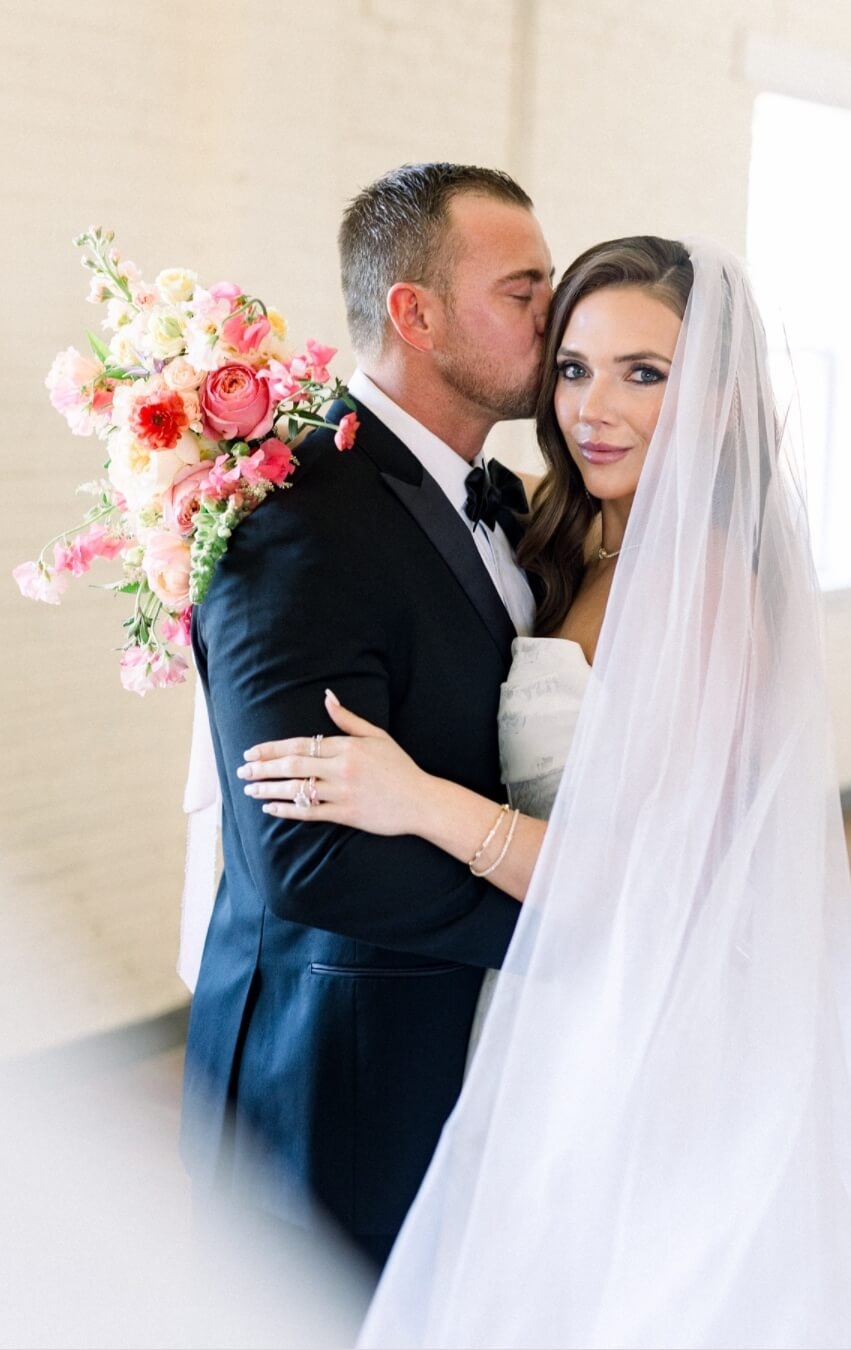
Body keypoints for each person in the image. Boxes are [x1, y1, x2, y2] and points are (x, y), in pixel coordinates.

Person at [239, 237, 851, 1347]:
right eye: (573, 367)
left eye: (644, 373)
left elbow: (631, 885)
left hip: (643, 1028)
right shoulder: (575, 534)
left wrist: (415, 800)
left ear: (717, 397)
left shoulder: (699, 584)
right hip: (550, 998)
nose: (595, 407)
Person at [180, 161, 553, 1269]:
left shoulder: (508, 499)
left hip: (468, 1051)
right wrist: (561, 925)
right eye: (521, 290)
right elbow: (302, 857)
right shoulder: (295, 513)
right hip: (335, 1073)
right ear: (415, 314)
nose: (552, 311)